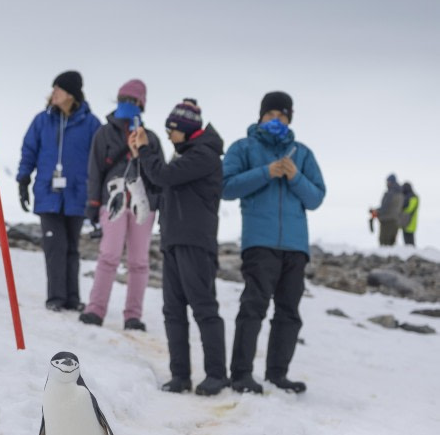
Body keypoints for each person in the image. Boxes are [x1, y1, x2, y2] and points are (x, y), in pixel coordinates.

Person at [222, 91, 326, 394]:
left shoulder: (302, 153)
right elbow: (226, 187)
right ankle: (241, 374)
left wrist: (294, 176)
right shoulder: (243, 148)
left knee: (289, 312)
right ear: (261, 116)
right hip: (259, 242)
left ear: (290, 118)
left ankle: (277, 375)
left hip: (295, 246)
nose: (277, 120)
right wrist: (267, 172)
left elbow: (316, 197)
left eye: (282, 116)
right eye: (271, 115)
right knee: (253, 307)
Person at [130, 99, 229, 396]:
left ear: (185, 129)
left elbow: (163, 176)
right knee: (173, 310)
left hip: (195, 243)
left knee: (203, 308)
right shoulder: (186, 155)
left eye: (171, 130)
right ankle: (180, 376)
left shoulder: (205, 155)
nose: (169, 134)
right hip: (173, 240)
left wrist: (147, 150)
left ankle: (216, 375)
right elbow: (163, 184)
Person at [17, 71, 101, 311]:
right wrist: (23, 180)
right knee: (55, 246)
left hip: (77, 195)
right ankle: (55, 297)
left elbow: (99, 159)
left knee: (72, 247)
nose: (53, 93)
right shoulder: (42, 121)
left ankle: (72, 298)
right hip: (48, 194)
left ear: (71, 95)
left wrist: (98, 195)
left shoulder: (91, 124)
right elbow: (29, 151)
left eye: (59, 90)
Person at [80, 79, 159, 331]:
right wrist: (93, 204)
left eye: (133, 101)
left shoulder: (151, 138)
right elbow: (95, 170)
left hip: (143, 205)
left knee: (139, 261)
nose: (128, 105)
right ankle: (95, 309)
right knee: (109, 256)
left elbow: (159, 175)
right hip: (111, 201)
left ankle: (133, 316)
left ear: (141, 105)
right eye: (123, 100)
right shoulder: (104, 134)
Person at [375, 174, 404, 246]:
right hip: (395, 220)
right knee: (391, 243)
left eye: (388, 181)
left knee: (384, 242)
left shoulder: (390, 193)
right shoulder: (400, 193)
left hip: (387, 221)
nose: (387, 183)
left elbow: (385, 207)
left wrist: (377, 211)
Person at [401, 182, 418, 246]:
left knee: (410, 242)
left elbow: (409, 209)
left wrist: (402, 208)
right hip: (406, 222)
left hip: (410, 222)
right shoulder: (407, 197)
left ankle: (412, 253)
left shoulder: (413, 197)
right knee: (406, 242)